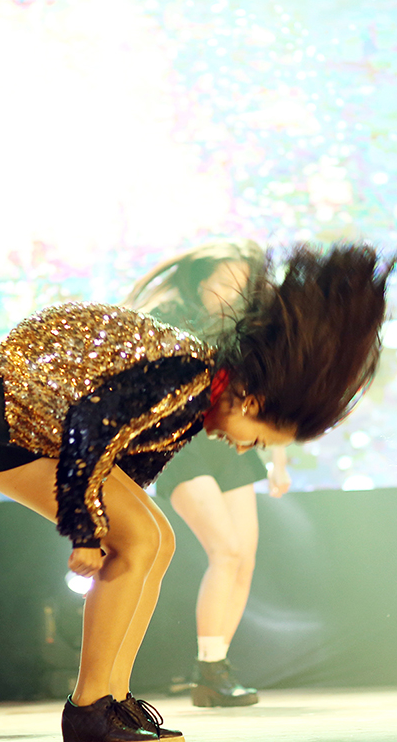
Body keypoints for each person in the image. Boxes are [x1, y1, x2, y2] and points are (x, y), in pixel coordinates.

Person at [0, 243, 391, 742]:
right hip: (9, 427)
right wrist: (85, 530)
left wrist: (105, 520)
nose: (243, 448)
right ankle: (87, 709)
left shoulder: (199, 396)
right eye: (256, 439)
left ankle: (115, 701)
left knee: (159, 539)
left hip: (51, 433)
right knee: (139, 538)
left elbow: (127, 464)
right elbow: (88, 426)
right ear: (251, 402)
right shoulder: (186, 377)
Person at [125, 240, 285, 707]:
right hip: (183, 447)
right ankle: (209, 670)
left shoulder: (248, 329)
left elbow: (270, 396)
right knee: (226, 551)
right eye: (224, 280)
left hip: (231, 446)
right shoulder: (169, 319)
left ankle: (215, 668)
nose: (233, 290)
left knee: (245, 558)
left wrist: (278, 461)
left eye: (241, 283)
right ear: (201, 282)